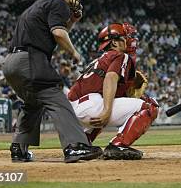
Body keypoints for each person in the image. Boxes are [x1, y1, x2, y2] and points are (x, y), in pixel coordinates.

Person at [3, 0, 103, 163]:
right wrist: (74, 53)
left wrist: (72, 21)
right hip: (30, 60)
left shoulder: (37, 5)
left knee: (33, 102)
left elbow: (56, 29)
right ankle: (75, 146)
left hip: (11, 63)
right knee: (56, 98)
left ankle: (19, 147)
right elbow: (58, 33)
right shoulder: (58, 3)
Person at [68, 22, 159, 160]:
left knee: (106, 104)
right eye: (125, 37)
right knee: (150, 105)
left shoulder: (99, 60)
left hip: (73, 111)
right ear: (115, 43)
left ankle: (82, 144)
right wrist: (106, 110)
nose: (129, 40)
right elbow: (110, 79)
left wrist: (127, 88)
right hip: (90, 106)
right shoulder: (120, 55)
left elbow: (104, 89)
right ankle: (118, 145)